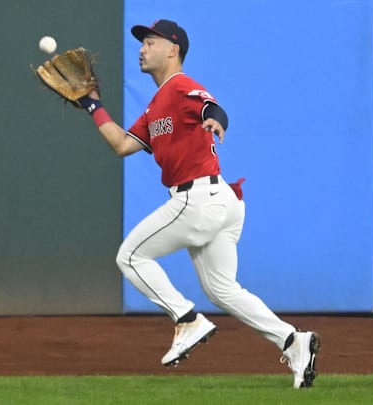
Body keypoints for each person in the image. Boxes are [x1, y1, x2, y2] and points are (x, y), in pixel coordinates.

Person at [76, 19, 320, 388]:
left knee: (130, 256)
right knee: (222, 289)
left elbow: (212, 107)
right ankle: (292, 341)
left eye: (151, 42)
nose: (142, 49)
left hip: (198, 199)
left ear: (173, 49)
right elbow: (123, 145)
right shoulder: (156, 106)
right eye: (143, 43)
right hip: (219, 201)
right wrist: (93, 104)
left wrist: (215, 121)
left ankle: (186, 319)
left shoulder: (180, 85)